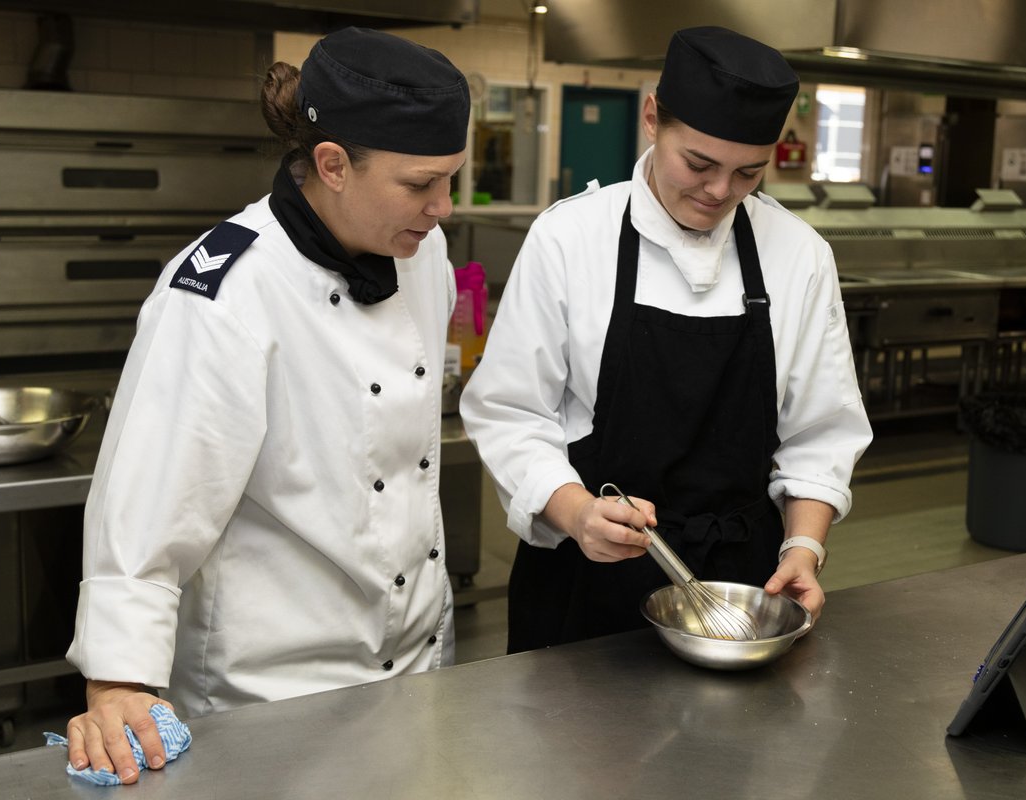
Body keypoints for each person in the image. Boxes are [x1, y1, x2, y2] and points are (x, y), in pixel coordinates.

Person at [63, 27, 469, 783]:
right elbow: (149, 503)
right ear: (333, 164)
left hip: (416, 668)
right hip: (271, 698)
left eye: (452, 179)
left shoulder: (424, 251)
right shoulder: (225, 293)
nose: (442, 207)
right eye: (420, 185)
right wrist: (118, 680)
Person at [460, 26, 873, 653]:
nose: (718, 192)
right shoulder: (570, 238)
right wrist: (575, 512)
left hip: (741, 585)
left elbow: (823, 430)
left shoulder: (800, 255)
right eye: (699, 164)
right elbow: (510, 413)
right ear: (652, 117)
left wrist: (804, 547)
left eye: (748, 174)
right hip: (585, 573)